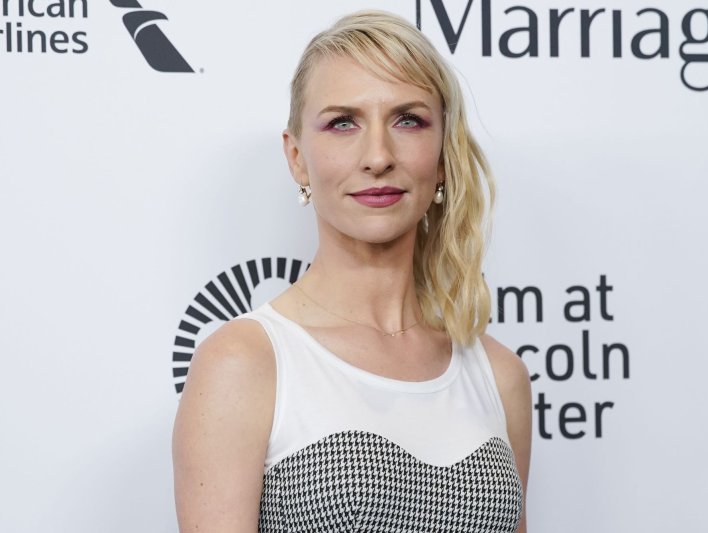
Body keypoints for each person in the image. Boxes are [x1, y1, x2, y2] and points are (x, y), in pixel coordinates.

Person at [172, 10, 532, 533]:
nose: (378, 156)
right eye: (343, 122)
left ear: (444, 157)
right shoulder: (244, 363)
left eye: (408, 119)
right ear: (297, 158)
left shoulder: (499, 376)